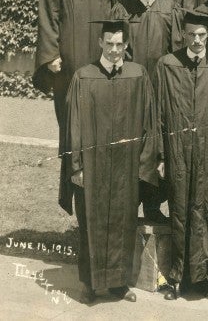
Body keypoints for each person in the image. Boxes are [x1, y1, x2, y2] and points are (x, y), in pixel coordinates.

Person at [152, 10, 208, 301]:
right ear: (183, 34)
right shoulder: (167, 65)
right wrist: (160, 156)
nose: (197, 40)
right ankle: (177, 277)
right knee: (180, 210)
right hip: (178, 151)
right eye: (191, 34)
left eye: (202, 34)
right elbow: (158, 114)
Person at [65, 20, 155, 303]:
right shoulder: (84, 76)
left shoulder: (138, 74)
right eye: (109, 44)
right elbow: (73, 125)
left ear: (126, 45)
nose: (114, 50)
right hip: (93, 166)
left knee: (123, 222)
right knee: (90, 222)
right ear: (100, 43)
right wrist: (76, 166)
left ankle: (118, 284)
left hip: (126, 167)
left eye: (119, 44)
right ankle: (90, 285)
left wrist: (144, 163)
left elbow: (149, 121)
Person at [115, 0, 181, 72]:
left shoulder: (171, 9)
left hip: (162, 74)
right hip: (131, 74)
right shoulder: (122, 9)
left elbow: (177, 48)